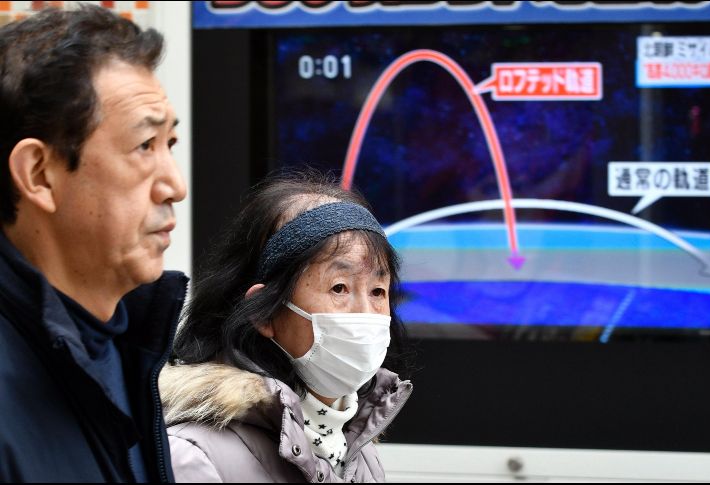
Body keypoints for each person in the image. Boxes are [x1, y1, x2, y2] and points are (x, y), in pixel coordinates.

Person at [0, 5, 187, 482]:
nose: (175, 185)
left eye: (171, 144)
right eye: (145, 146)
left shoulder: (124, 348)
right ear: (39, 175)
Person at [160, 171, 413, 483]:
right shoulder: (192, 456)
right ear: (265, 313)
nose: (366, 313)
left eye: (377, 291)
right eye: (339, 288)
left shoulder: (356, 448)